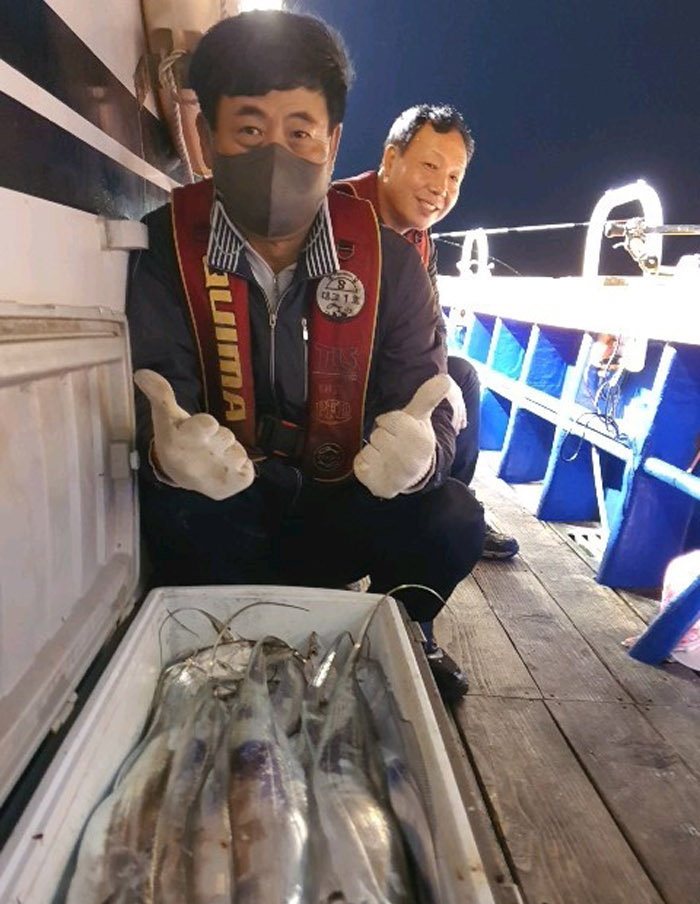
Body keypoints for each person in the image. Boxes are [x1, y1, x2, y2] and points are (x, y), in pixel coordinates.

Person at [127, 6, 492, 597]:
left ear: (333, 141)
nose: (276, 155)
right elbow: (158, 393)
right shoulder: (164, 247)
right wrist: (166, 452)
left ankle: (397, 621)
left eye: (300, 133)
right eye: (249, 131)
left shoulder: (395, 264)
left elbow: (425, 400)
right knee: (165, 504)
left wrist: (420, 460)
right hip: (225, 508)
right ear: (207, 139)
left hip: (343, 503)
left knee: (453, 519)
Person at [351, 101, 517, 558]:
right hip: (340, 375)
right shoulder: (339, 213)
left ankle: (446, 494)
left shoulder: (421, 239)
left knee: (461, 374)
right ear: (390, 160)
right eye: (430, 166)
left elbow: (433, 324)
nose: (441, 188)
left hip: (399, 367)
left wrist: (439, 376)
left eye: (454, 177)